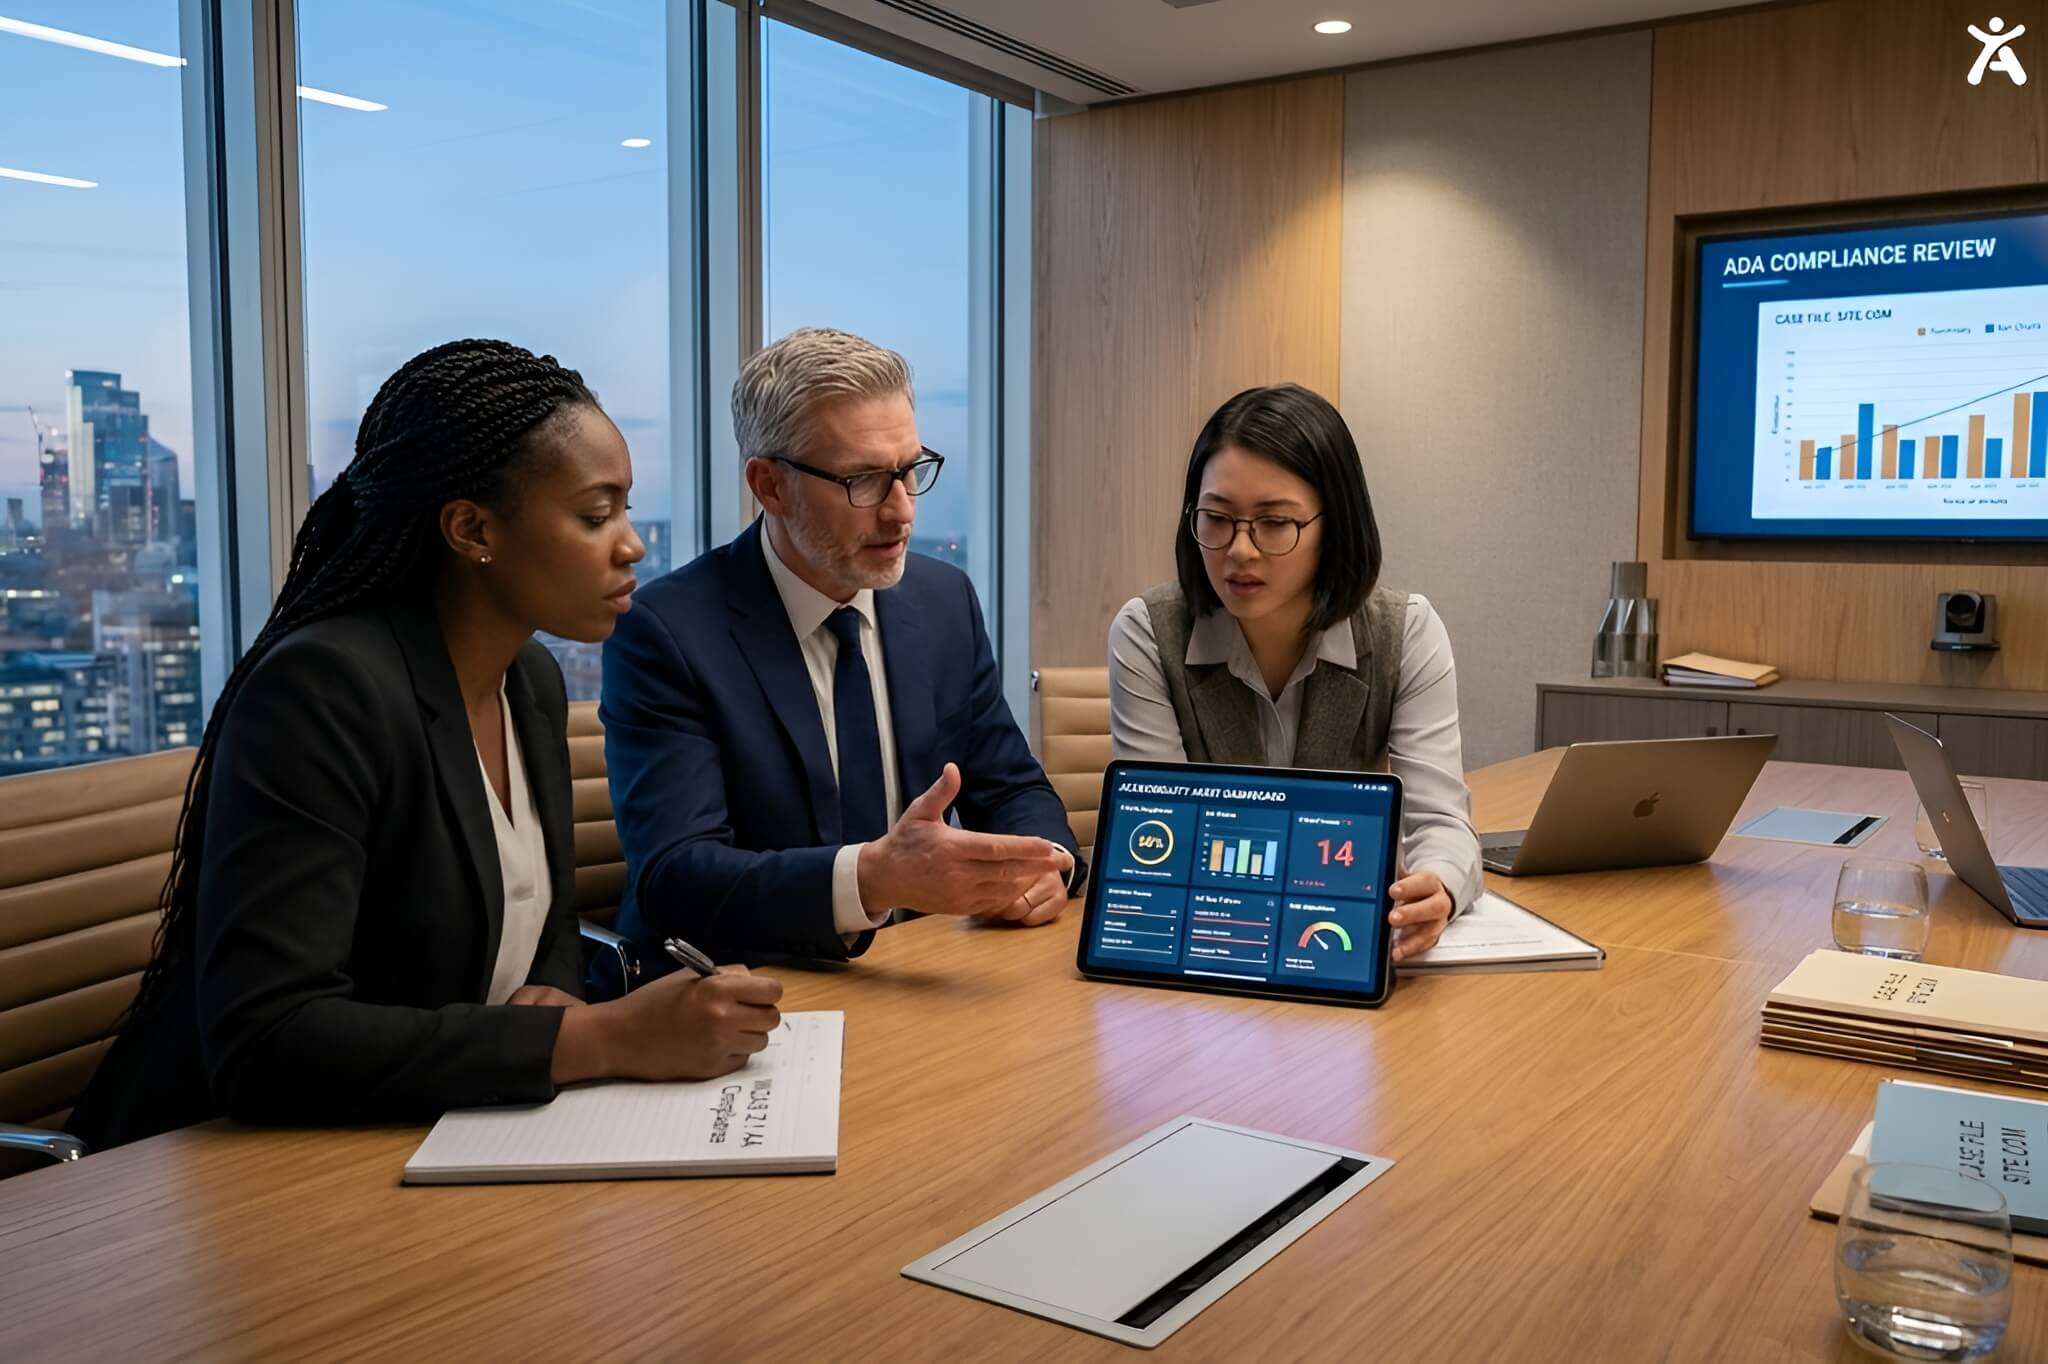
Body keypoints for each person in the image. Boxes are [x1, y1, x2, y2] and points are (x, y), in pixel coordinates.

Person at [68, 339, 782, 1152]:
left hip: (454, 1134)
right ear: (472, 529)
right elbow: (267, 1040)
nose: (631, 545)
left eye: (625, 510)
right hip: (239, 1170)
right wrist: (602, 1039)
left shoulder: (530, 679)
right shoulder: (322, 692)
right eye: (595, 515)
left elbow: (541, 931)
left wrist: (551, 1007)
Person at [603, 327, 1083, 968]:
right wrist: (871, 879)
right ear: (769, 484)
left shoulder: (943, 602)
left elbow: (1013, 788)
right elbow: (677, 876)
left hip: (920, 972)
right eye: (863, 481)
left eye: (910, 471)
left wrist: (1043, 865)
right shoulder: (667, 631)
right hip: (747, 991)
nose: (902, 512)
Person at [1107, 383, 1482, 964]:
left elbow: (1442, 821)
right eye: (1217, 519)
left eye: (1275, 524)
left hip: (1336, 946)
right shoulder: (1148, 633)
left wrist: (1438, 886)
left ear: (1335, 526)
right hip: (1212, 949)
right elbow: (1163, 838)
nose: (1240, 551)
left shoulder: (1404, 632)